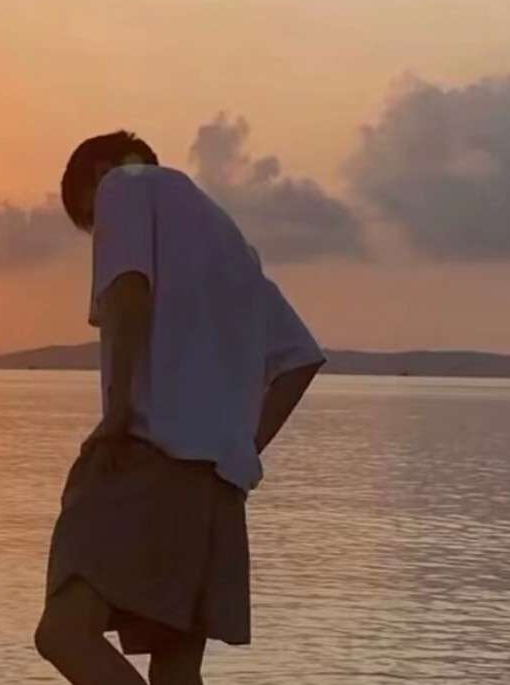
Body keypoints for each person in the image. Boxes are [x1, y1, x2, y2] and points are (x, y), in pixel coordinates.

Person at [34, 129, 326, 685]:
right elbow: (300, 360)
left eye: (92, 220)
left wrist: (118, 416)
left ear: (98, 175)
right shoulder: (233, 249)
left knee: (64, 632)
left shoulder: (124, 184)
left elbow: (128, 290)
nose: (100, 234)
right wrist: (240, 446)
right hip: (217, 487)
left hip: (147, 455)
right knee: (176, 669)